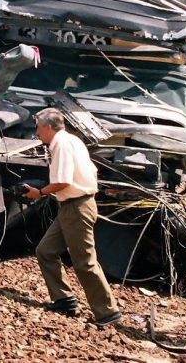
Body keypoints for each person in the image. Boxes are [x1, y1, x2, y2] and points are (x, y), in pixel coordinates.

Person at [25, 107, 121, 327]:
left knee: (84, 262)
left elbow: (63, 181)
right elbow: (91, 171)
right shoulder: (73, 140)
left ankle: (107, 313)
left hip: (77, 207)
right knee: (45, 251)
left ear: (48, 127)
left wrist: (38, 193)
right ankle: (64, 299)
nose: (37, 132)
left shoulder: (61, 145)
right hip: (72, 206)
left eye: (38, 127)